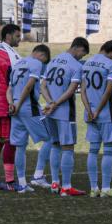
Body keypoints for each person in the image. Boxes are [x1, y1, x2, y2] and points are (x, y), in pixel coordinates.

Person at [41, 37, 89, 196]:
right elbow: (71, 90)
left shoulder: (53, 61)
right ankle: (66, 186)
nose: (82, 57)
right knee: (67, 147)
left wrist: (50, 103)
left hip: (49, 111)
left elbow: (43, 86)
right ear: (78, 48)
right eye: (83, 53)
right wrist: (56, 104)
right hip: (64, 112)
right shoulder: (76, 65)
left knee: (55, 145)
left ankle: (55, 183)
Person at [81, 40, 112, 198]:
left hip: (90, 112)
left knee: (93, 150)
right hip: (106, 114)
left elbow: (83, 90)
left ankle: (94, 188)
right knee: (108, 150)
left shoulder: (86, 63)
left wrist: (89, 110)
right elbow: (108, 91)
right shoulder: (111, 65)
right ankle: (105, 188)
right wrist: (98, 110)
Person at [8, 45, 52, 193]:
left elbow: (9, 89)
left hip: (14, 107)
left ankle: (21, 183)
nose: (43, 63)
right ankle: (38, 175)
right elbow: (28, 87)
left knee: (20, 146)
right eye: (45, 60)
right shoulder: (36, 63)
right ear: (41, 54)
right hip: (28, 107)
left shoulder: (17, 64)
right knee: (51, 137)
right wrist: (19, 105)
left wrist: (12, 105)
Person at [0, 23, 22, 190]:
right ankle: (9, 182)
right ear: (8, 36)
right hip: (7, 103)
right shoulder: (10, 55)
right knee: (10, 142)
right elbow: (15, 80)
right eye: (17, 36)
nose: (19, 39)